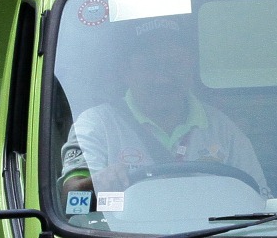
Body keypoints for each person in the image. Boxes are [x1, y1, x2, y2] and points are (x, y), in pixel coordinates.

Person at [59, 17, 265, 203]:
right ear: (125, 72)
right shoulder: (96, 125)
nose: (163, 78)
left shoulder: (222, 128)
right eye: (149, 66)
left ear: (190, 67)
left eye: (174, 65)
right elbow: (71, 203)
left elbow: (261, 200)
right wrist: (95, 185)